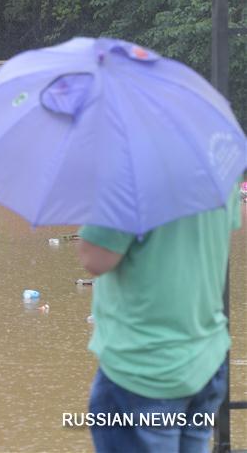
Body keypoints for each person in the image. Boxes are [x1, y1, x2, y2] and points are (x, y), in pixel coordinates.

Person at [77, 183, 243, 453]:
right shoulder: (219, 163)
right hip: (206, 359)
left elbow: (94, 257)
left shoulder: (131, 174)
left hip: (144, 367)